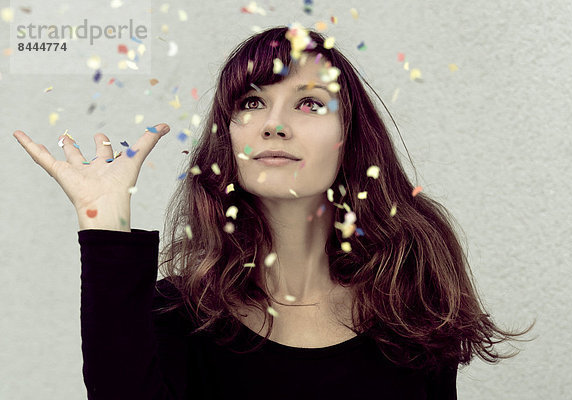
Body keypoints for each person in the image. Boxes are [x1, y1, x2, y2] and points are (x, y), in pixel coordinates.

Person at [13, 25, 534, 399]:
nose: (273, 124)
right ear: (229, 137)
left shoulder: (410, 297)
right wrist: (104, 225)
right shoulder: (180, 315)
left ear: (347, 139)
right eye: (251, 103)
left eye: (308, 103)